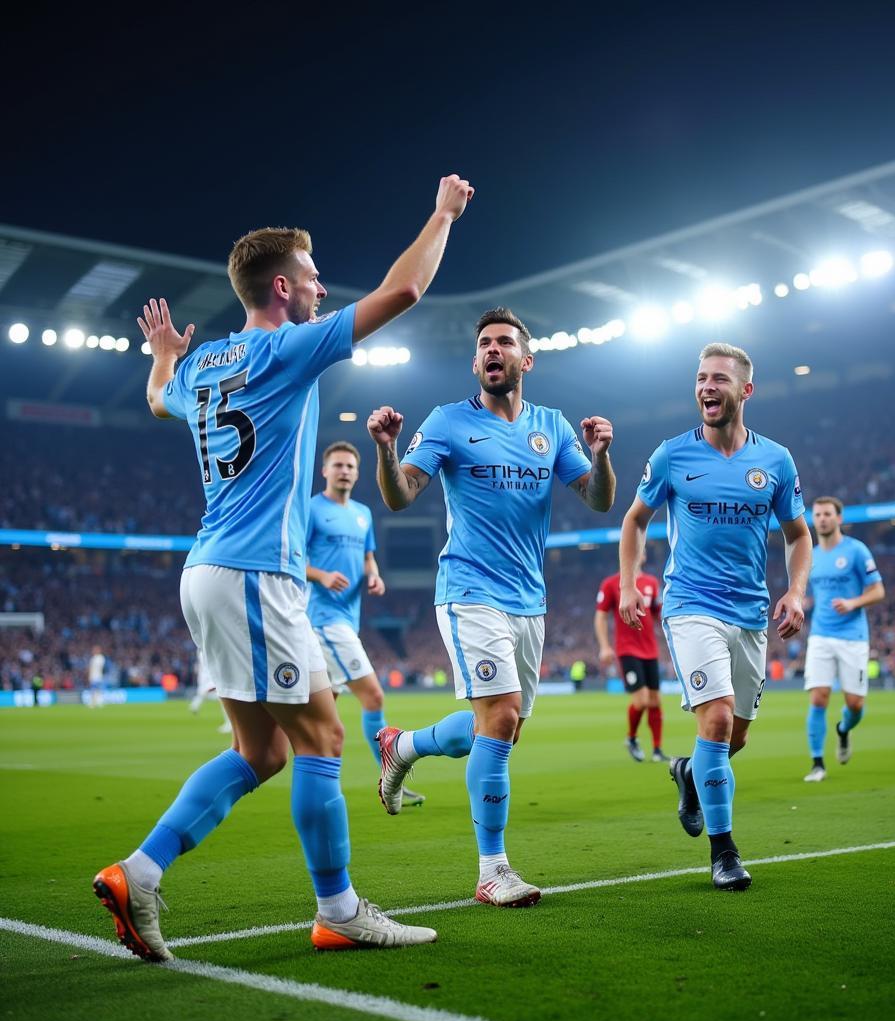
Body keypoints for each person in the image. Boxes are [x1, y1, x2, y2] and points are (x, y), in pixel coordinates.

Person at [92, 173, 474, 961]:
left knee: (262, 752)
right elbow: (403, 289)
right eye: (311, 274)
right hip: (255, 574)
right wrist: (440, 214)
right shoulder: (285, 346)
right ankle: (338, 910)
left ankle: (140, 871)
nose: (321, 285)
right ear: (280, 287)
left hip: (208, 569)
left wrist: (164, 355)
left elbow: (161, 396)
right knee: (326, 740)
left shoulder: (205, 367)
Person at [366, 307, 615, 908]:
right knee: (499, 719)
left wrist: (601, 453)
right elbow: (400, 496)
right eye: (484, 344)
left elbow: (600, 502)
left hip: (529, 601)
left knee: (494, 732)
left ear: (526, 360)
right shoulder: (448, 423)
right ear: (476, 361)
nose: (493, 350)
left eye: (505, 342)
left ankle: (406, 746)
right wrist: (387, 447)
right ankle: (492, 870)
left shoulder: (551, 427)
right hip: (469, 589)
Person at [618, 342, 810, 891]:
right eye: (701, 377)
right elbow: (635, 520)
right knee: (718, 720)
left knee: (735, 739)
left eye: (719, 379)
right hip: (690, 606)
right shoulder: (671, 455)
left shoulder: (775, 460)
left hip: (749, 613)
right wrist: (631, 583)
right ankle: (723, 853)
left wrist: (795, 593)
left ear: (745, 391)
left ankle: (688, 773)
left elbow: (799, 535)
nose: (707, 386)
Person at [306, 440, 425, 806]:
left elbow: (368, 557)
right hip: (324, 620)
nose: (344, 471)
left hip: (347, 619)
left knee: (325, 708)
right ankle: (391, 782)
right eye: (337, 465)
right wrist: (321, 576)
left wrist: (373, 575)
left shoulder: (361, 514)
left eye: (350, 466)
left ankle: (316, 785)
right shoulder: (310, 509)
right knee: (373, 695)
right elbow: (289, 558)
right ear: (325, 471)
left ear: (357, 474)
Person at [803, 496, 885, 782]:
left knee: (855, 705)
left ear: (839, 518)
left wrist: (853, 603)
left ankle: (843, 729)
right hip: (821, 635)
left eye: (827, 514)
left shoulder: (856, 551)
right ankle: (817, 764)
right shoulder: (810, 555)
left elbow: (878, 591)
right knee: (818, 696)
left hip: (853, 636)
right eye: (817, 514)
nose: (822, 519)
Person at [594, 558, 666, 762]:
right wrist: (604, 646)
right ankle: (632, 738)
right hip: (627, 650)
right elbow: (600, 616)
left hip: (650, 649)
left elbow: (658, 614)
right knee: (642, 700)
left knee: (655, 701)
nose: (639, 550)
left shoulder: (652, 582)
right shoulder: (611, 583)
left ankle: (657, 749)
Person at [188, 648, 233, 734]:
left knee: (218, 696)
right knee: (212, 695)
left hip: (212, 675)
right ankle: (229, 723)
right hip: (209, 675)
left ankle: (229, 723)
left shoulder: (204, 649)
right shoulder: (202, 650)